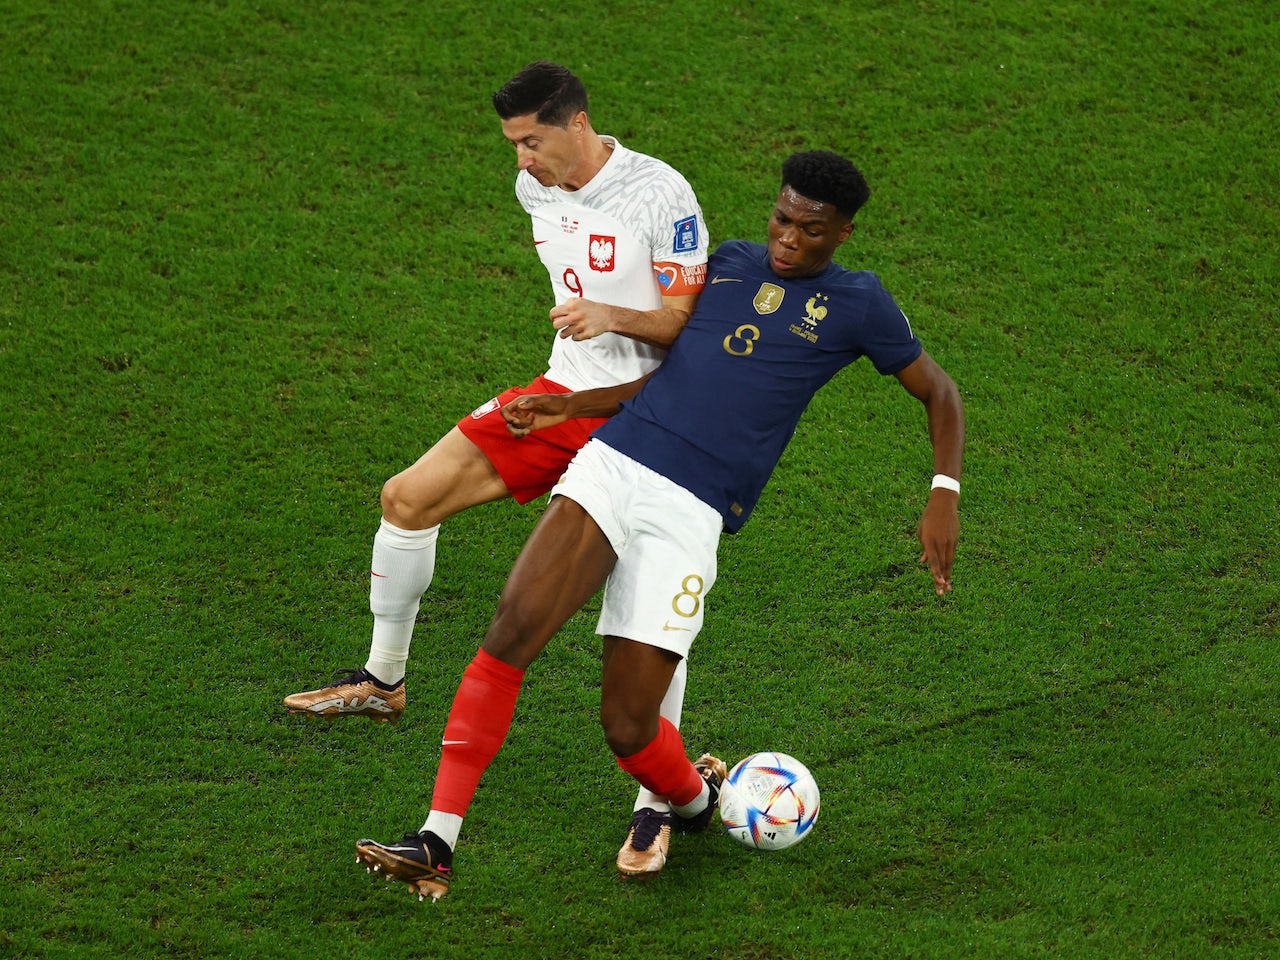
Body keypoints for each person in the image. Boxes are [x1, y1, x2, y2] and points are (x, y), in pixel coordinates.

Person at [351, 151, 965, 902]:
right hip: (615, 463)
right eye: (780, 217)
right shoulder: (732, 263)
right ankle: (435, 841)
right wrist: (570, 407)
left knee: (628, 726)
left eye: (809, 230)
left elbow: (939, 391)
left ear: (842, 232)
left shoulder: (859, 304)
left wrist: (943, 492)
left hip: (692, 511)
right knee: (511, 631)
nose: (786, 238)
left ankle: (696, 803)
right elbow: (673, 375)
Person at [282, 61, 709, 875]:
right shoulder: (534, 192)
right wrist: (572, 367)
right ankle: (383, 679)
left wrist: (611, 315)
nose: (520, 160)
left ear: (576, 124)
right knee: (407, 497)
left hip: (648, 423)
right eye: (512, 144)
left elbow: (689, 331)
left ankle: (654, 806)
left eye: (531, 141)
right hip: (558, 396)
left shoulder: (661, 195)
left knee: (637, 614)